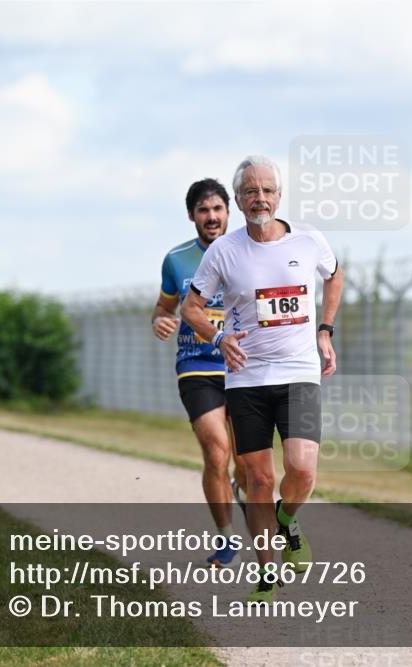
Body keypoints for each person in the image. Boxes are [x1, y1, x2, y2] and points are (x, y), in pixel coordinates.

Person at [182, 156, 343, 604]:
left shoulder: (309, 240)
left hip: (298, 373)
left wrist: (325, 331)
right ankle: (267, 573)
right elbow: (190, 309)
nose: (260, 198)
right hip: (246, 378)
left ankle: (287, 521)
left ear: (279, 196)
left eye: (267, 190)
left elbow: (335, 276)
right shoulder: (224, 251)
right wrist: (218, 338)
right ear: (239, 200)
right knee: (257, 479)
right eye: (250, 191)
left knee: (302, 468)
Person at [153, 178, 247, 568]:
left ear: (229, 212)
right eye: (203, 210)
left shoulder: (250, 252)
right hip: (197, 366)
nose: (211, 217)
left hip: (244, 367)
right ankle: (227, 540)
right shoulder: (177, 259)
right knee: (216, 450)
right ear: (192, 215)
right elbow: (164, 307)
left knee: (247, 461)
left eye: (217, 209)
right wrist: (160, 320)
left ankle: (245, 493)